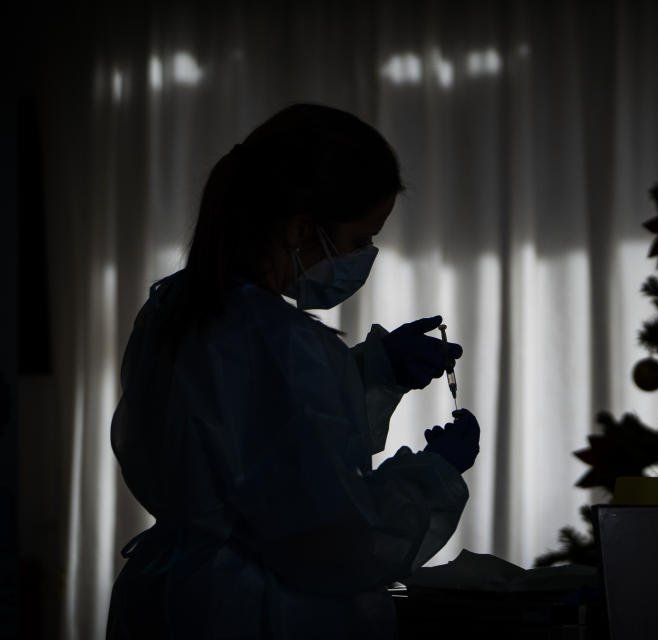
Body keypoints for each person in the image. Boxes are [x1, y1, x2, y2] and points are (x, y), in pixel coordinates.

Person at [105, 104, 481, 639]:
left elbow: (255, 435)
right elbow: (340, 542)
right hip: (259, 613)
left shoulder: (176, 308)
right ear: (301, 227)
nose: (364, 257)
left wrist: (375, 373)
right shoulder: (286, 341)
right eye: (358, 241)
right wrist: (433, 478)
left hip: (172, 596)